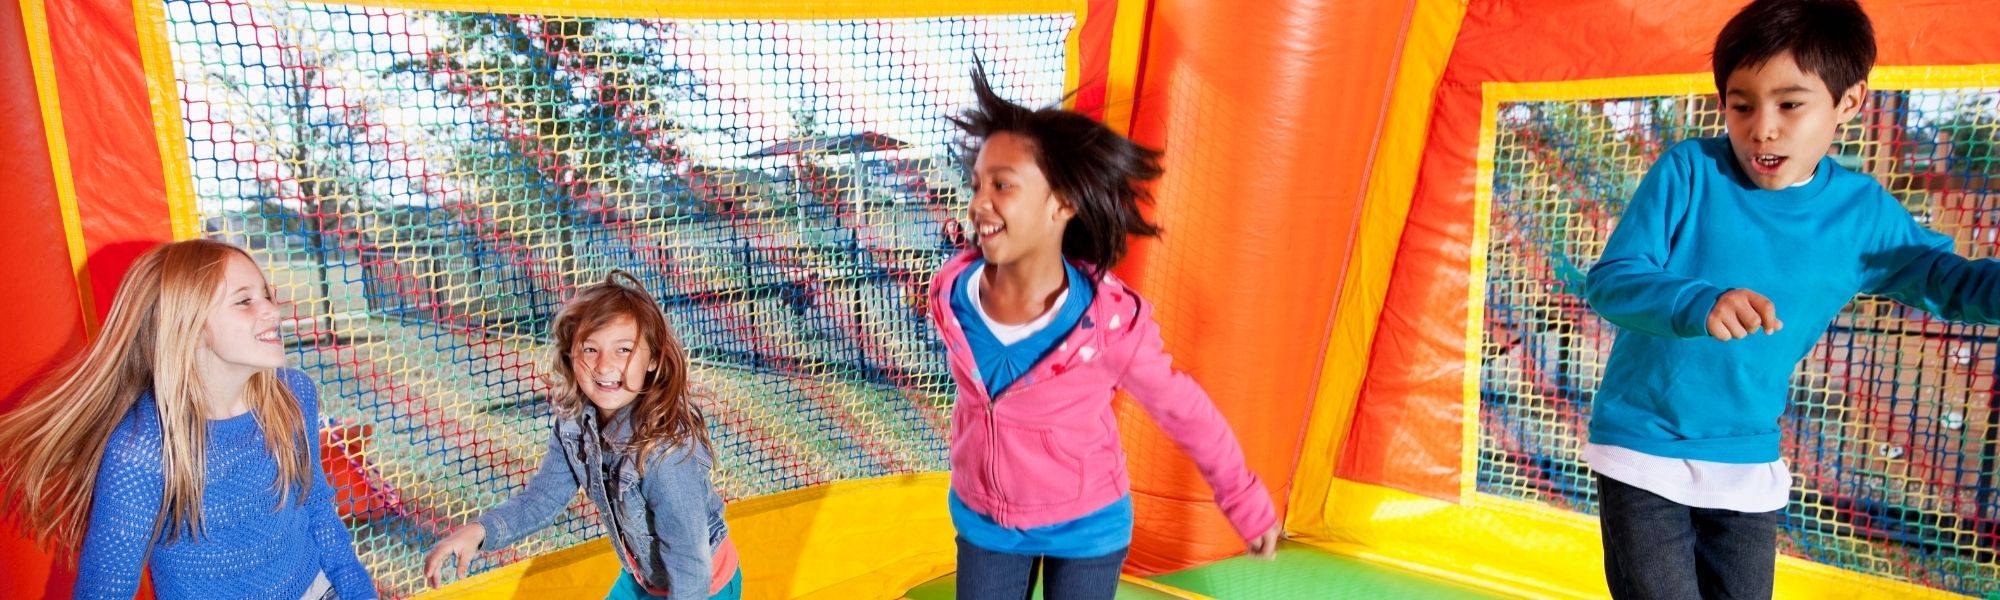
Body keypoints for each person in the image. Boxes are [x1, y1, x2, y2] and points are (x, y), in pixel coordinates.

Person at [1582, 1, 2000, 598]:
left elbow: (1952, 283)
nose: (1763, 127)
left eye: (1790, 103)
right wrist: (1700, 302)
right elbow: (1614, 280)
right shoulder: (1691, 172)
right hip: (1643, 446)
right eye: (1741, 104)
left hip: (1748, 453)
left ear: (1848, 103)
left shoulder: (1861, 214)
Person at [927, 65, 1281, 600]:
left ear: (1063, 203)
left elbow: (1185, 410)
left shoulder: (1110, 327)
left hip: (1087, 524)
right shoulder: (954, 298)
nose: (980, 202)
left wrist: (1244, 501)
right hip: (988, 521)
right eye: (978, 184)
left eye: (1003, 185)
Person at [0, 239, 375, 599]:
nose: (273, 311)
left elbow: (318, 511)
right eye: (244, 301)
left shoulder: (293, 395)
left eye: (267, 295)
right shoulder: (144, 452)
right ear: (189, 326)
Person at [425, 271, 740, 600]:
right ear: (570, 355)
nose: (603, 366)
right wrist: (480, 531)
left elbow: (690, 561)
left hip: (702, 584)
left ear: (654, 360)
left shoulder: (663, 454)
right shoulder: (574, 426)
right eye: (590, 349)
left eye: (623, 350)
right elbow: (543, 499)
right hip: (643, 576)